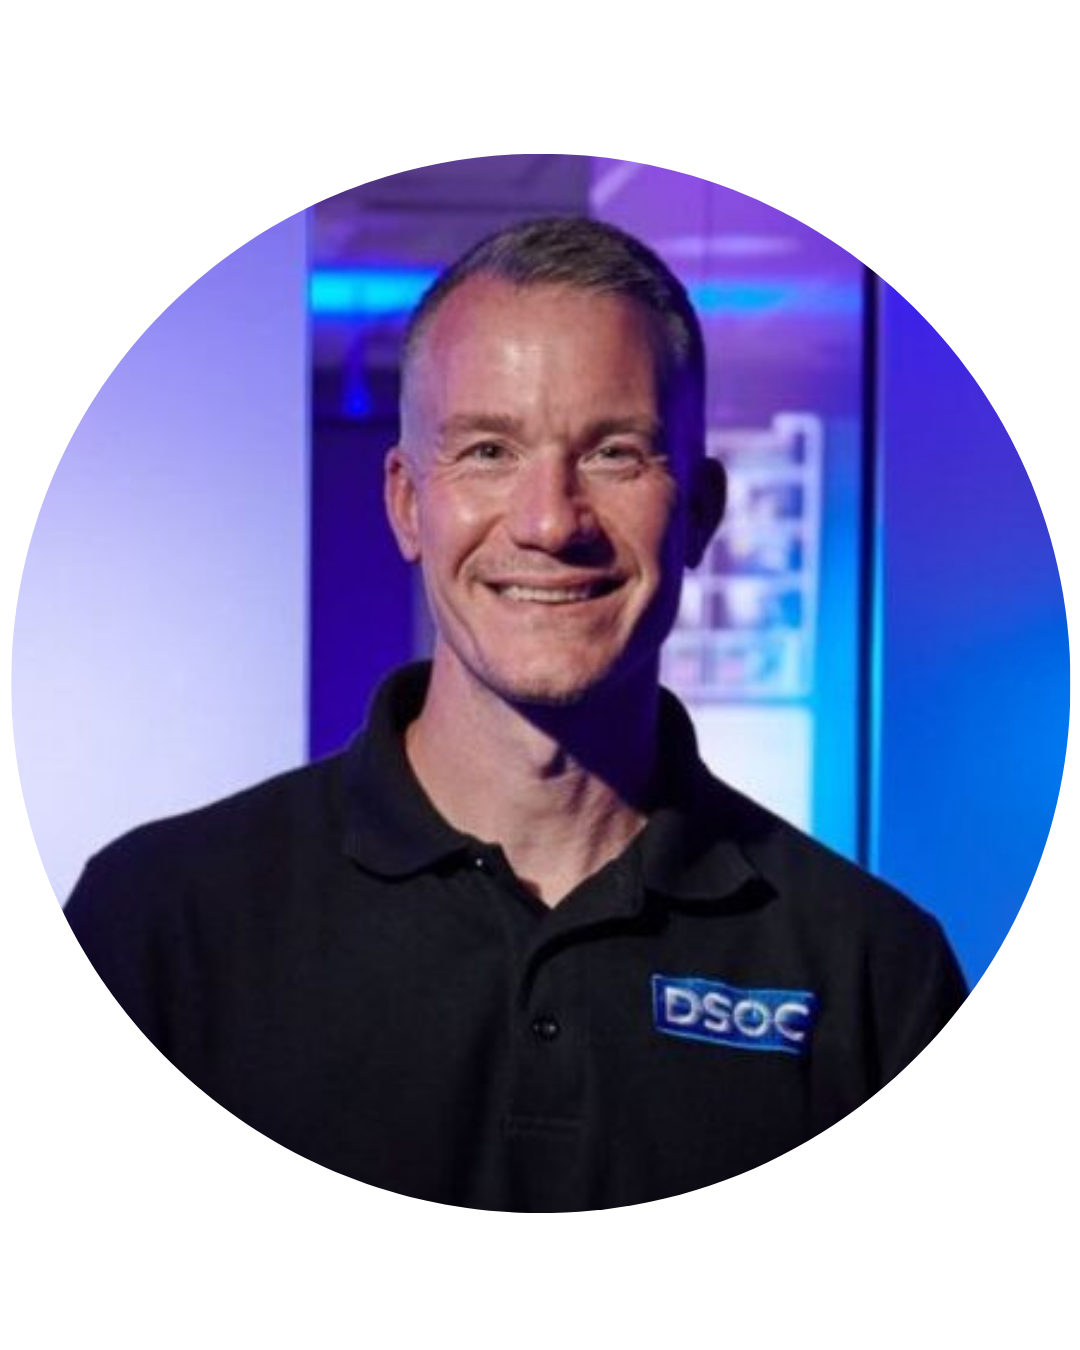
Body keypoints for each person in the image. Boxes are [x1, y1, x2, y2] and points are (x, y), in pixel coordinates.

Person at [65, 216, 967, 1212]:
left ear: (701, 512)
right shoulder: (161, 923)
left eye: (616, 453)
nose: (549, 522)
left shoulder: (874, 974)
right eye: (489, 450)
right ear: (407, 504)